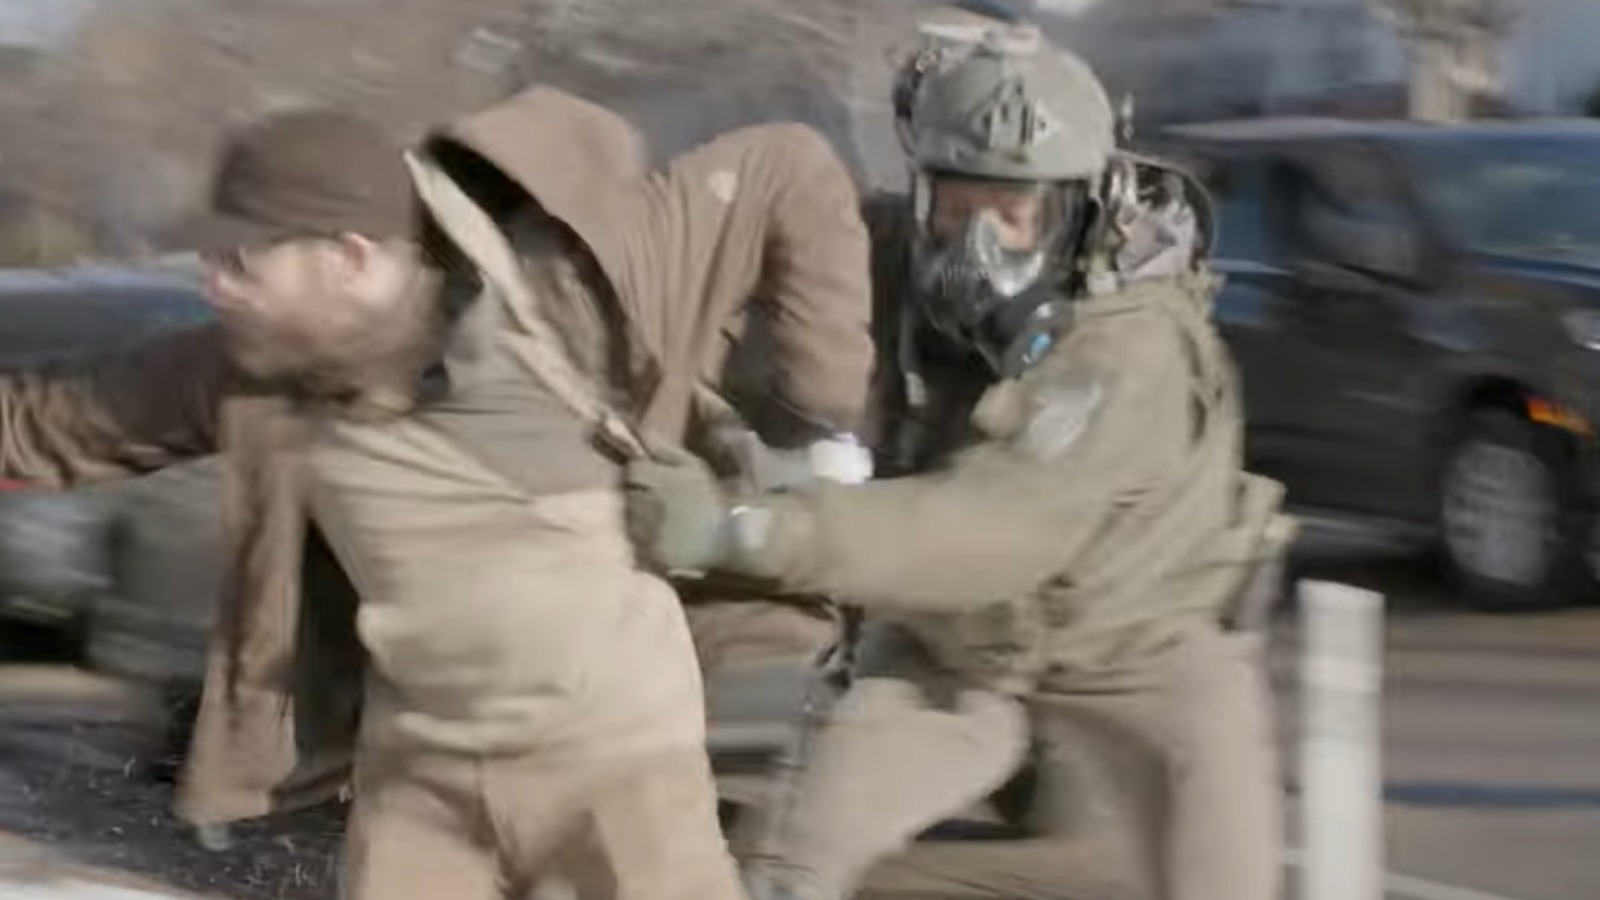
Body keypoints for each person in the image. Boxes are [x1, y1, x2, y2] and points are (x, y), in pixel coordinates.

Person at [0, 86, 876, 900]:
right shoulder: (250, 367)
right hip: (421, 785)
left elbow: (786, 164)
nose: (215, 285)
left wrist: (819, 418)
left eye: (241, 261)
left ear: (349, 256)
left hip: (619, 762)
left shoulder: (567, 289)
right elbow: (44, 419)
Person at [625, 24, 1293, 900]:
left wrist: (741, 529)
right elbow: (752, 319)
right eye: (956, 207)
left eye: (1012, 214)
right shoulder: (893, 256)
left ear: (1080, 211)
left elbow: (992, 526)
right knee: (784, 869)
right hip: (952, 649)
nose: (976, 245)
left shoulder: (1129, 347)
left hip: (1141, 644)